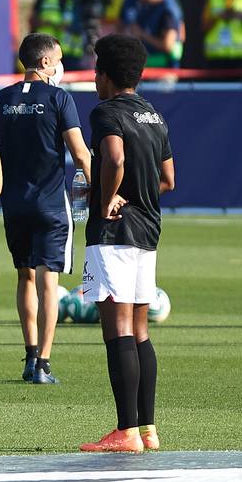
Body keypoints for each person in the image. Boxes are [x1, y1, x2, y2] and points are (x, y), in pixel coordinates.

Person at [79, 34, 175, 453]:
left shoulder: (106, 112)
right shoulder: (154, 116)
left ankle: (125, 431)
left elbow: (114, 159)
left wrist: (104, 198)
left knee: (116, 329)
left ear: (104, 75)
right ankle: (147, 428)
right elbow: (169, 179)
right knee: (139, 331)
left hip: (113, 233)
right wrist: (134, 193)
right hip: (148, 229)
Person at [0, 34, 92, 384]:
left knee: (24, 275)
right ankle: (44, 363)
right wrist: (101, 188)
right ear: (46, 62)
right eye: (59, 59)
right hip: (50, 204)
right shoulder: (59, 98)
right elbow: (80, 154)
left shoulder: (1, 99)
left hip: (13, 203)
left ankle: (29, 354)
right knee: (49, 280)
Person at [118, 0, 184, 69]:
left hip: (162, 73)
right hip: (141, 70)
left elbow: (168, 45)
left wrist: (142, 34)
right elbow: (120, 26)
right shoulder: (142, 4)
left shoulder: (169, 8)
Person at [30, 0, 86, 70]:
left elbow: (83, 24)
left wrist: (69, 28)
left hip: (71, 53)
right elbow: (33, 18)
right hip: (46, 52)